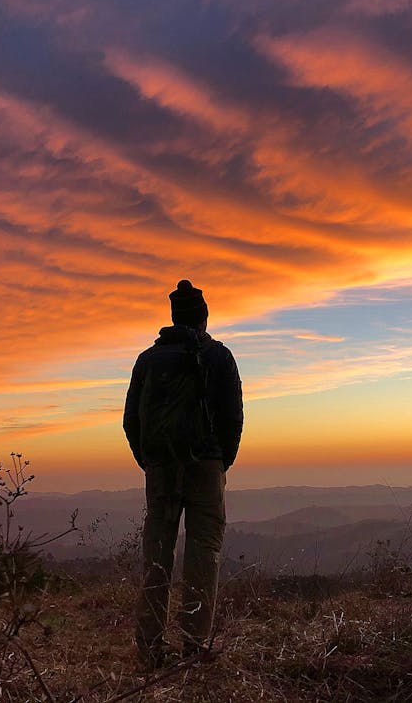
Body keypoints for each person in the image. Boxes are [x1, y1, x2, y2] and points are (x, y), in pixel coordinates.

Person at [123, 280, 244, 670]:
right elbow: (232, 416)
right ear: (204, 317)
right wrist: (221, 461)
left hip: (161, 468)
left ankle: (149, 648)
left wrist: (150, 460)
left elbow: (131, 420)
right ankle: (194, 646)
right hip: (205, 466)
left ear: (174, 318)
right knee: (203, 552)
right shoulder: (219, 356)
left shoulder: (147, 360)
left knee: (157, 552)